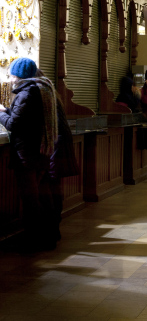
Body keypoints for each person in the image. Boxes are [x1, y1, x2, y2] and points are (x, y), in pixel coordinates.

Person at [0, 58, 58, 251]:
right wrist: (8, 110)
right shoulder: (42, 88)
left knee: (30, 198)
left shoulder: (26, 93)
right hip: (41, 150)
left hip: (27, 154)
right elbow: (24, 117)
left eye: (11, 74)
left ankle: (34, 240)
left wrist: (0, 113)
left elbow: (14, 124)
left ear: (18, 75)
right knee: (42, 196)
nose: (9, 78)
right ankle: (49, 235)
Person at [36, 69, 79, 245]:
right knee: (54, 186)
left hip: (53, 144)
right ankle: (54, 229)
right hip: (60, 143)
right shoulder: (51, 92)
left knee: (47, 187)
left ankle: (50, 231)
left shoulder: (40, 93)